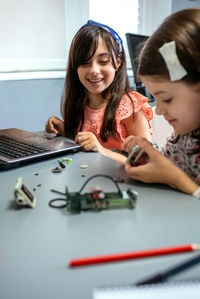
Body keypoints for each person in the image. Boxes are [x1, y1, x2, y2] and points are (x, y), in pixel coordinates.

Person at [45, 20, 152, 163]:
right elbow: (86, 145)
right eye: (85, 63)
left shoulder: (130, 107)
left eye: (103, 61)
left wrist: (102, 151)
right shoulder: (80, 104)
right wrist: (64, 130)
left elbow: (147, 161)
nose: (94, 70)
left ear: (118, 62)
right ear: (75, 67)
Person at [123, 8, 200, 198]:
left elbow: (175, 177)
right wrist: (148, 155)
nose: (158, 111)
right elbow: (170, 163)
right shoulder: (185, 134)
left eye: (166, 98)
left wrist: (175, 179)